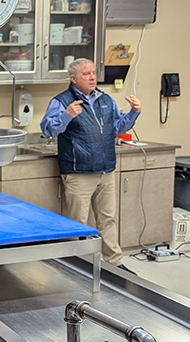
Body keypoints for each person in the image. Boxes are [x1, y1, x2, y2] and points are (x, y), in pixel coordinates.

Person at [40, 58, 142, 272]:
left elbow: (116, 127)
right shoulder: (62, 101)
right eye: (86, 74)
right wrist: (66, 116)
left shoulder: (106, 100)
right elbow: (48, 129)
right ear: (73, 79)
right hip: (79, 172)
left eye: (94, 73)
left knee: (108, 220)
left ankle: (113, 263)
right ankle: (78, 265)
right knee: (78, 223)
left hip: (106, 170)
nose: (93, 77)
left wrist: (133, 112)